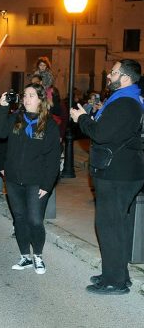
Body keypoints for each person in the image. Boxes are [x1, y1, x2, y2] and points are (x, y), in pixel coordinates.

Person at [70, 59, 144, 295]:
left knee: (109, 226)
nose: (108, 76)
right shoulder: (127, 100)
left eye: (112, 72)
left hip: (117, 175)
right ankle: (117, 274)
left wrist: (81, 119)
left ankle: (115, 282)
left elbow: (100, 134)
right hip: (121, 172)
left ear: (125, 78)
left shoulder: (125, 103)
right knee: (117, 225)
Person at [0, 83, 61, 274]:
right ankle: (25, 257)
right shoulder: (16, 119)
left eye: (31, 95)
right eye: (25, 95)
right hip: (14, 179)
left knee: (35, 220)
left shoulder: (49, 124)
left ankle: (38, 256)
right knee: (20, 219)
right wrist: (3, 107)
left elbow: (53, 157)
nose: (26, 98)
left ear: (40, 100)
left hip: (36, 181)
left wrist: (47, 184)